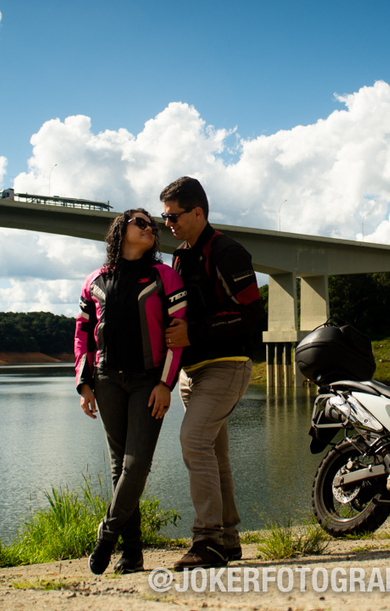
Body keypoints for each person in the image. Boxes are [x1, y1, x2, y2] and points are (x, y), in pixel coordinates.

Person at [74, 208, 187, 575]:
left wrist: (165, 383)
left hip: (148, 381)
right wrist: (84, 382)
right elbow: (82, 335)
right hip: (106, 381)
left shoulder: (165, 276)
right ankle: (132, 553)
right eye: (141, 222)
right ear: (120, 230)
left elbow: (177, 333)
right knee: (118, 468)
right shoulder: (94, 280)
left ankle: (107, 534)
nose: (150, 227)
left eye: (152, 225)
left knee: (136, 465)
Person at [159, 176, 261, 570]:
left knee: (192, 440)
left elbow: (251, 314)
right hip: (192, 373)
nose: (168, 224)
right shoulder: (181, 256)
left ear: (198, 211)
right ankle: (228, 541)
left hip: (227, 366)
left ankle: (206, 542)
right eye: (164, 217)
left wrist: (196, 332)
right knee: (215, 455)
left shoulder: (228, 251)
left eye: (173, 216)